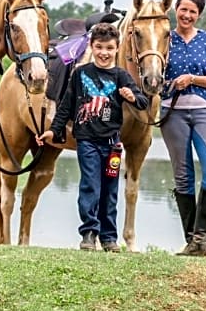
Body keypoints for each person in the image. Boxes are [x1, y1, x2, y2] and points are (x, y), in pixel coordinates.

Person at [39, 23, 149, 252]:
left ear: (117, 49)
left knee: (110, 190)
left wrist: (132, 97)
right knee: (90, 186)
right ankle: (89, 232)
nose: (104, 52)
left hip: (112, 146)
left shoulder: (121, 76)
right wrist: (54, 130)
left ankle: (109, 237)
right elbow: (66, 106)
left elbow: (143, 101)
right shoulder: (81, 74)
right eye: (99, 47)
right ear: (91, 46)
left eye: (109, 48)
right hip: (87, 142)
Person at [160, 0, 206, 257]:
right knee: (183, 176)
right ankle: (193, 242)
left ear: (199, 15)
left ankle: (201, 236)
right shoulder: (164, 40)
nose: (187, 15)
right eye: (183, 9)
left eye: (193, 11)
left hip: (205, 111)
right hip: (172, 112)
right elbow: (151, 76)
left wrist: (192, 79)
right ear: (175, 9)